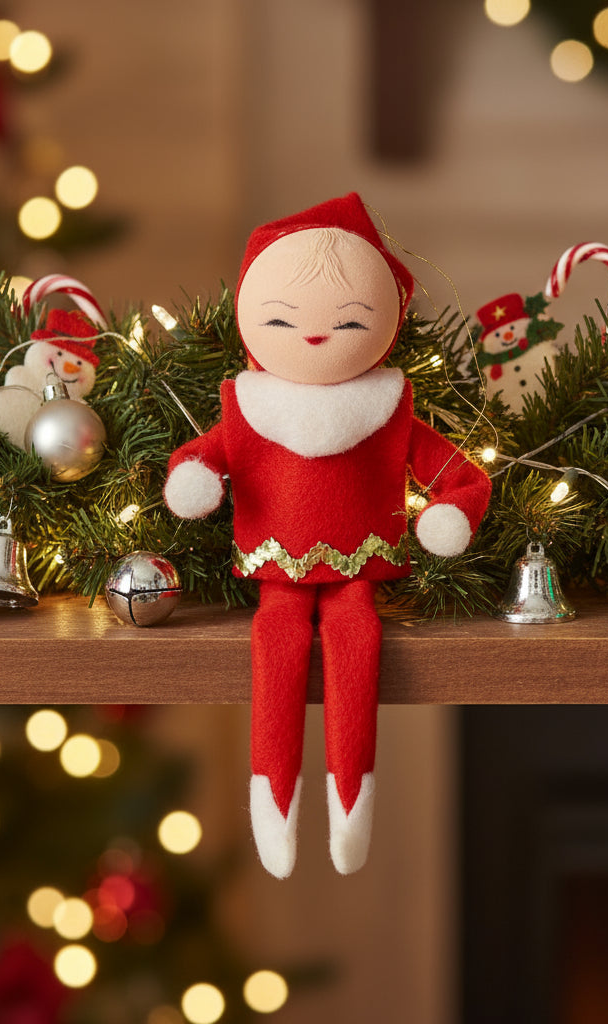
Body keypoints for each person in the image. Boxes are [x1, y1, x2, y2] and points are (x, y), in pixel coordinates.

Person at [164, 193, 491, 877]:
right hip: (276, 574)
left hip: (359, 572)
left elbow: (460, 475)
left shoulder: (389, 406)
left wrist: (449, 512)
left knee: (357, 638)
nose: (313, 335)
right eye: (284, 318)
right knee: (275, 640)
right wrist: (193, 475)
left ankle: (352, 807)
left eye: (347, 321)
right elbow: (201, 455)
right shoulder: (249, 406)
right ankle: (273, 809)